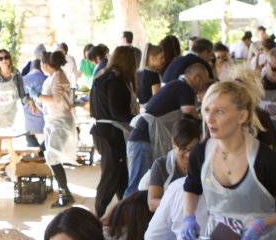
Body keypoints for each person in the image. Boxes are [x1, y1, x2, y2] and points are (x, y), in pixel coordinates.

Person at [177, 80, 276, 240]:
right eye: (206, 110)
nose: (209, 119)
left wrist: (264, 223)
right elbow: (192, 187)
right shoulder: (201, 154)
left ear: (242, 116)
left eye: (219, 111)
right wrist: (188, 216)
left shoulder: (263, 159)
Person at [124, 58, 212, 198]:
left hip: (143, 138)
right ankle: (126, 212)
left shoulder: (177, 85)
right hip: (142, 140)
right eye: (204, 82)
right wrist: (205, 120)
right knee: (135, 188)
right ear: (196, 77)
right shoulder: (185, 88)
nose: (202, 88)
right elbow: (189, 114)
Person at [88, 46, 137, 216]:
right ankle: (98, 215)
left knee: (120, 174)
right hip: (110, 133)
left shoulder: (102, 77)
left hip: (101, 131)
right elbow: (117, 112)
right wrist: (136, 119)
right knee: (111, 175)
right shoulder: (115, 81)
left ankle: (125, 210)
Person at [37, 50, 79, 207]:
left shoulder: (59, 77)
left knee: (53, 157)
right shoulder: (52, 77)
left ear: (46, 64)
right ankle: (64, 192)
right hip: (52, 121)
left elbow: (57, 99)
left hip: (60, 122)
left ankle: (65, 193)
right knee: (52, 157)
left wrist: (39, 96)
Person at [145, 117, 200, 213]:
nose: (188, 154)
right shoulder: (160, 165)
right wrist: (178, 204)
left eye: (192, 149)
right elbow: (152, 203)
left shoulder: (204, 165)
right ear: (173, 143)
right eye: (183, 148)